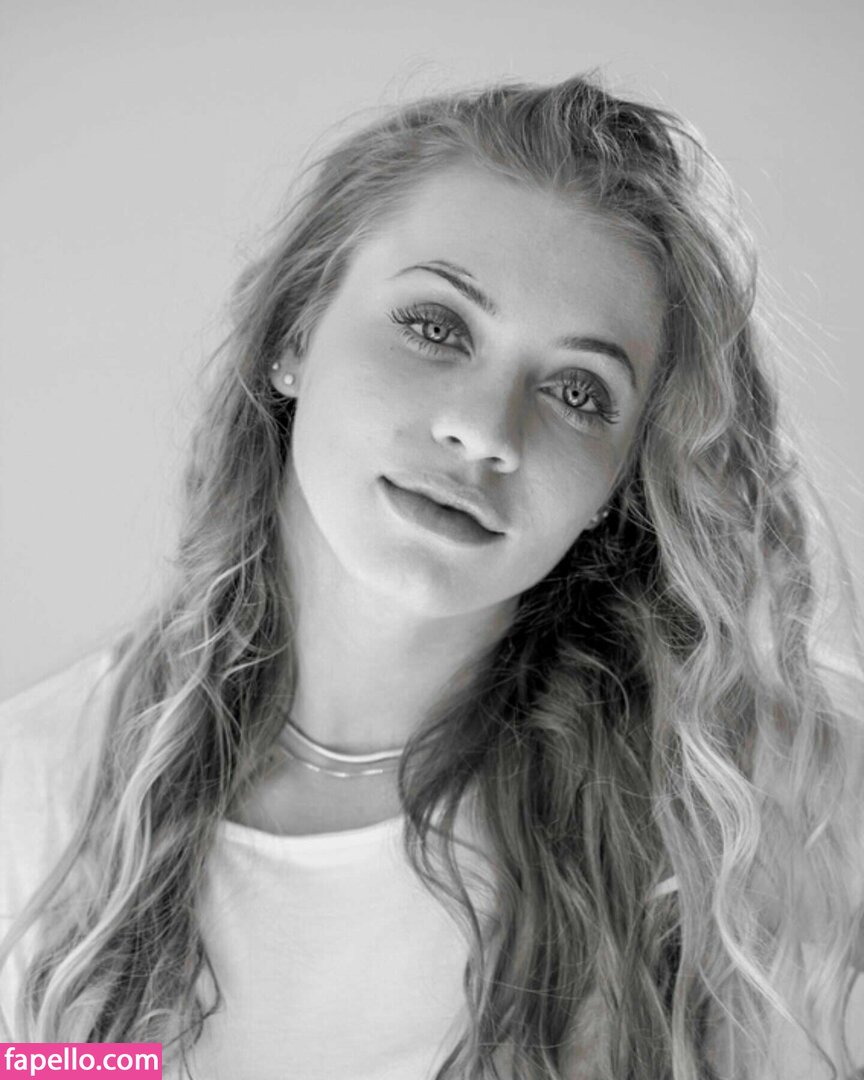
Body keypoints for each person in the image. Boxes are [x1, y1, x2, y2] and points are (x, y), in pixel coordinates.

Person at [1, 73, 862, 1080]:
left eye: (578, 391)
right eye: (437, 327)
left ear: (620, 483)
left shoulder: (771, 807)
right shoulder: (35, 794)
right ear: (293, 337)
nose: (487, 431)